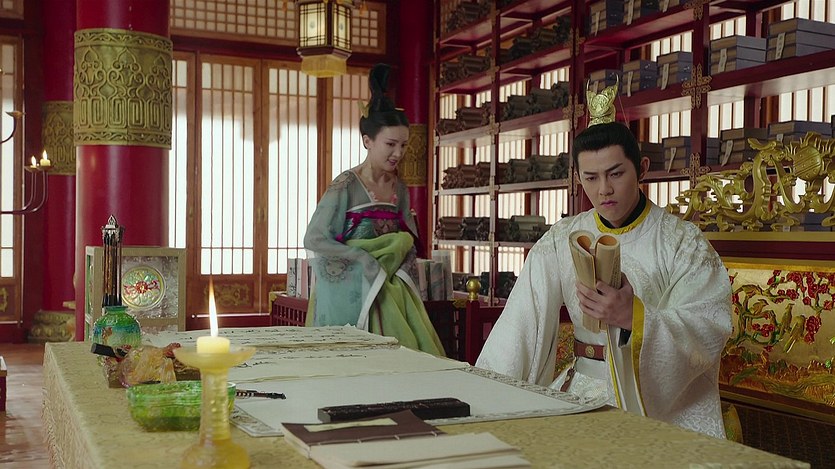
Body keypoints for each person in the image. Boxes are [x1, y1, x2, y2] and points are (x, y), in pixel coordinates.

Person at [476, 119, 733, 438]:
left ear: (642, 168)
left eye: (616, 174)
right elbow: (521, 323)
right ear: (577, 177)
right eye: (591, 177)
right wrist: (484, 399)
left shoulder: (682, 243)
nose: (604, 189)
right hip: (578, 389)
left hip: (656, 404)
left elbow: (707, 326)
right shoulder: (562, 238)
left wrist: (633, 316)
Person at [303, 63, 444, 357]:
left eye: (403, 145)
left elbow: (407, 241)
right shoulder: (345, 185)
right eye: (390, 144)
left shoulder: (399, 189)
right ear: (367, 141)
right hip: (353, 285)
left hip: (390, 285)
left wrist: (396, 262)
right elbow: (314, 239)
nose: (398, 153)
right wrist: (360, 257)